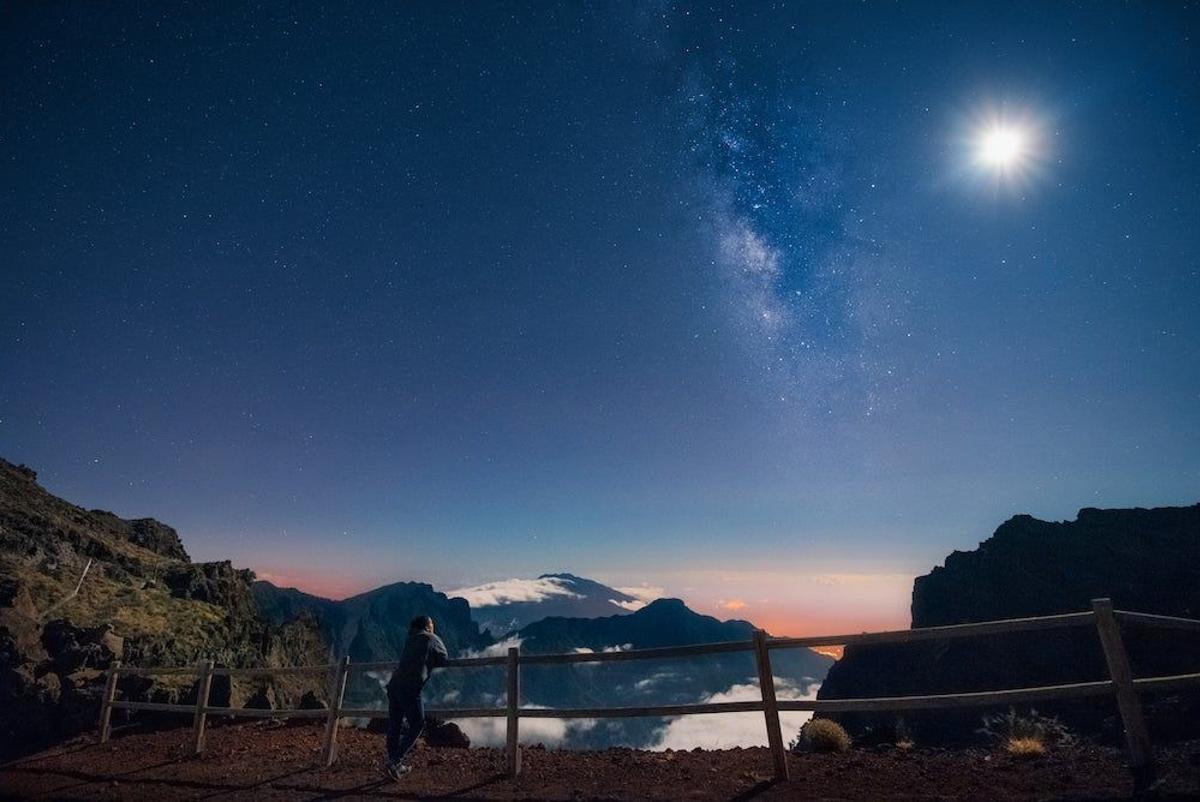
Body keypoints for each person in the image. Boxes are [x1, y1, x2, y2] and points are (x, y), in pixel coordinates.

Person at [384, 614, 449, 780]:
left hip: (394, 684)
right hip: (410, 687)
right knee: (417, 724)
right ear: (427, 626)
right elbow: (444, 658)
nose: (434, 626)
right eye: (432, 623)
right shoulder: (431, 638)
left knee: (395, 723)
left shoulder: (410, 638)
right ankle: (396, 761)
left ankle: (392, 762)